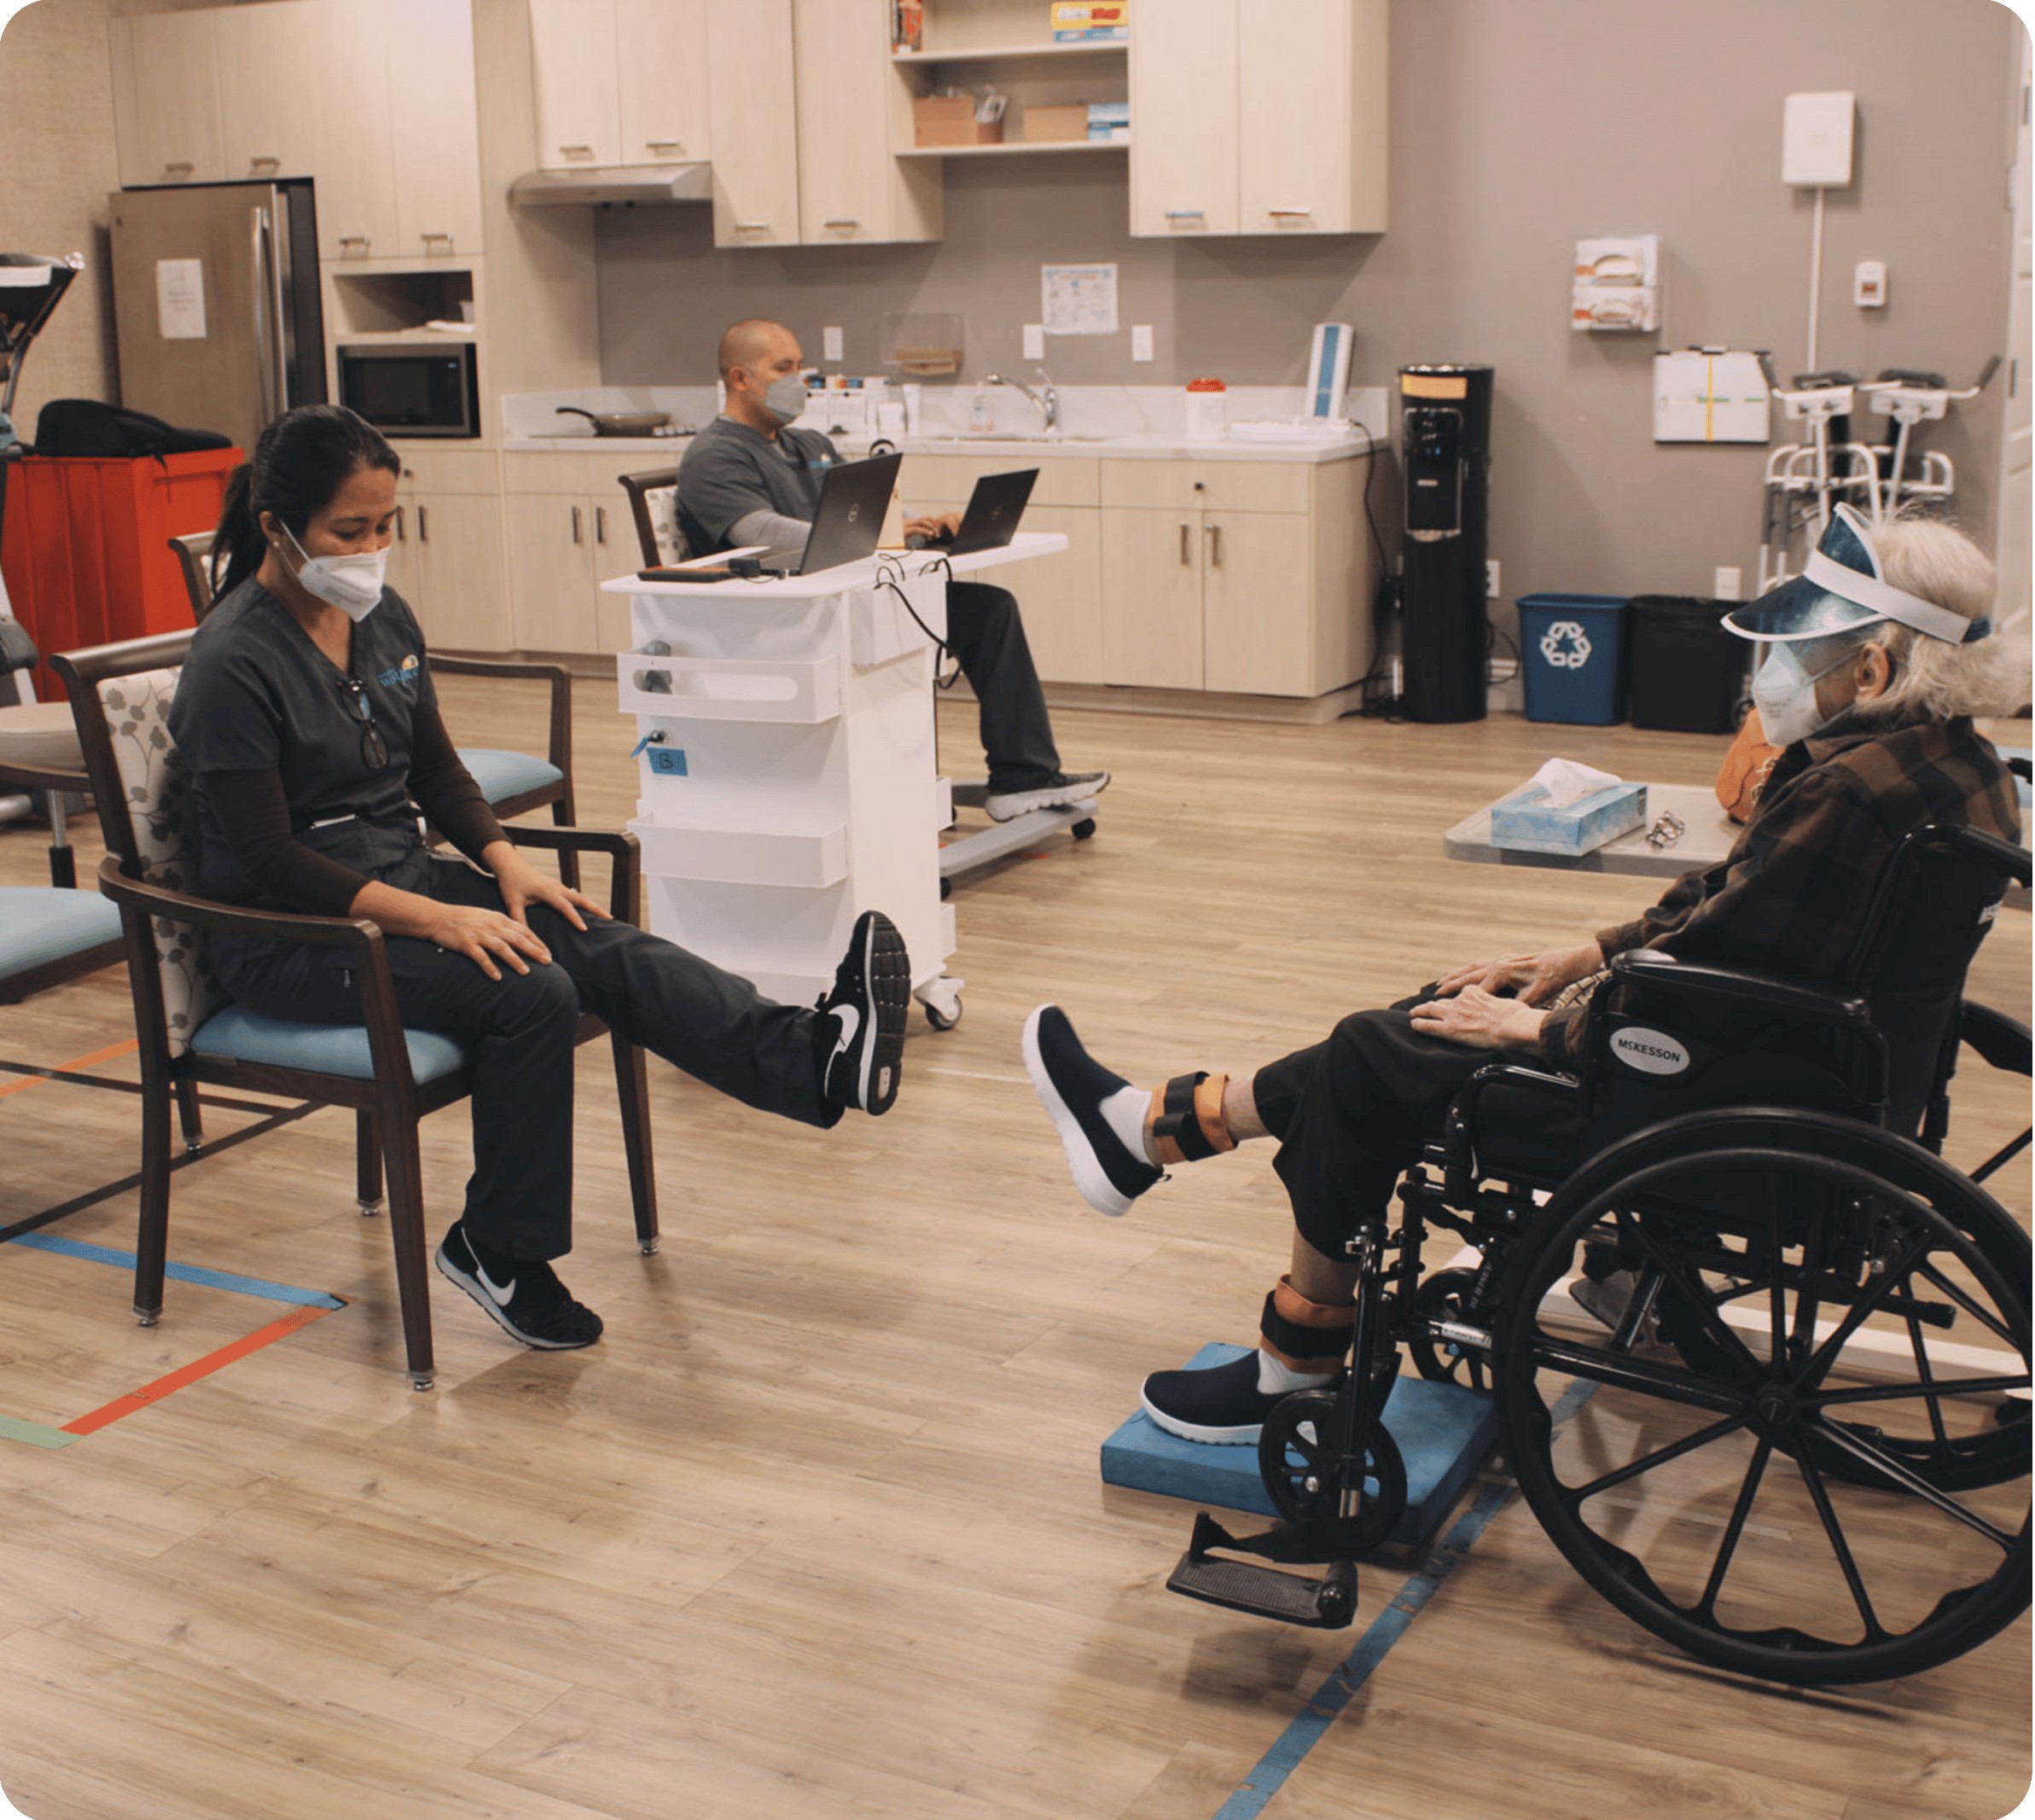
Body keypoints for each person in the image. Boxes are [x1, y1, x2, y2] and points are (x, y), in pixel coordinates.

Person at [1022, 503, 2026, 1445]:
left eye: (1799, 650)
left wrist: (1548, 1033)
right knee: (1444, 1010)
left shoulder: (1847, 791)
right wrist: (1586, 957)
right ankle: (1149, 1130)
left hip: (1713, 1107)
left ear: (1872, 666)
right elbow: (1729, 911)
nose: (1772, 672)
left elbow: (1717, 977)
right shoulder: (1959, 769)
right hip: (1827, 1088)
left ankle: (1294, 1360)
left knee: (1375, 1055)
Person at [170, 404, 914, 1354]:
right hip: (292, 936)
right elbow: (268, 857)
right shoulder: (232, 660)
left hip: (397, 880)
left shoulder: (380, 615)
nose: (371, 548)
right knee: (532, 993)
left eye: (385, 524)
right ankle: (497, 1250)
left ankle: (813, 1058)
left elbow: (435, 774)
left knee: (603, 945)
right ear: (277, 526)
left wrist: (507, 862)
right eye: (346, 532)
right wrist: (437, 920)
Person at [676, 318, 1109, 823]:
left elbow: (859, 516)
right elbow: (762, 533)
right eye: (783, 368)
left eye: (800, 366)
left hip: (852, 597)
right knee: (976, 614)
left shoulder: (808, 444)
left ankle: (1023, 777)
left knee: (988, 610)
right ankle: (930, 790)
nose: (799, 379)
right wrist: (890, 532)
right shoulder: (714, 455)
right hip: (786, 620)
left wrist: (926, 527)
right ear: (740, 379)